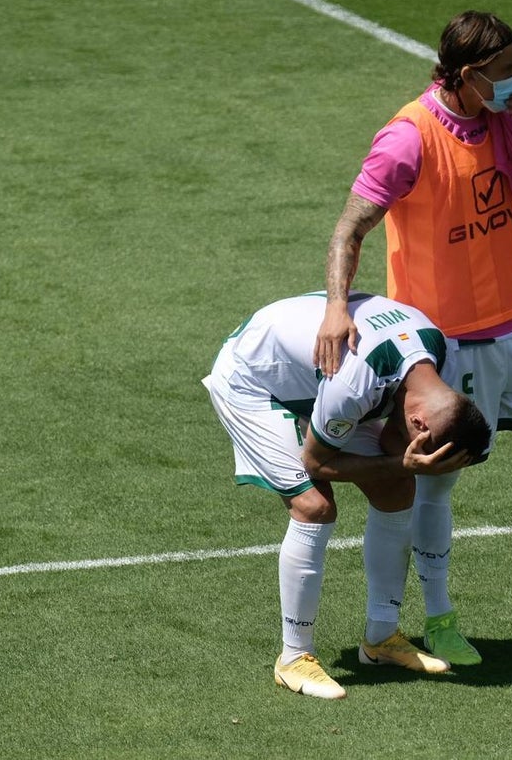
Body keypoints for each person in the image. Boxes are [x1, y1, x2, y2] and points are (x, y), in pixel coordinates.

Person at [314, 11, 512, 666]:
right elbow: (350, 228)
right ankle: (440, 617)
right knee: (439, 481)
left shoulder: (506, 122)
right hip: (447, 343)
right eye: (505, 70)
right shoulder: (409, 138)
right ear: (466, 74)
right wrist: (338, 306)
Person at [203, 291, 491, 699]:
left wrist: (401, 469)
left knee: (397, 488)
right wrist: (401, 463)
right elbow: (316, 464)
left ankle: (381, 639)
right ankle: (293, 658)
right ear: (418, 423)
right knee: (314, 505)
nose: (413, 452)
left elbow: (397, 444)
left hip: (316, 374)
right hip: (253, 379)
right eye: (420, 446)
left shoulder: (440, 358)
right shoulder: (354, 383)